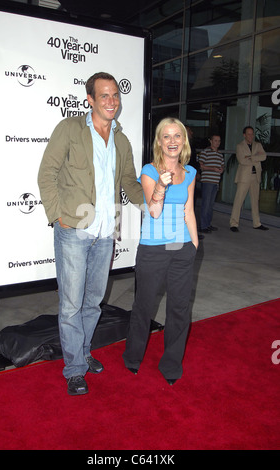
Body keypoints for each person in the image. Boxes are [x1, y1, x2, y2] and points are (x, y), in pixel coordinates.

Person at [38, 72, 143, 395]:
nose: (112, 101)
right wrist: (58, 216)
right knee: (71, 304)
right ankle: (74, 369)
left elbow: (129, 182)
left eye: (115, 96)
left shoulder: (121, 140)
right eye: (105, 96)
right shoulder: (70, 129)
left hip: (105, 232)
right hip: (74, 230)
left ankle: (83, 353)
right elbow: (47, 173)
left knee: (93, 302)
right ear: (91, 100)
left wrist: (153, 200)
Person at [123, 117, 198, 386]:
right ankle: (132, 357)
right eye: (166, 136)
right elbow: (153, 212)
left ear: (183, 141)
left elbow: (188, 211)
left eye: (177, 135)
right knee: (144, 306)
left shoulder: (189, 172)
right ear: (159, 142)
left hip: (182, 250)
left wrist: (194, 245)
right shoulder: (149, 171)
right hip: (153, 250)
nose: (172, 141)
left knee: (179, 309)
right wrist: (162, 186)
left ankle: (171, 364)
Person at [230, 126, 268, 232]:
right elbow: (242, 161)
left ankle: (257, 223)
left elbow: (264, 156)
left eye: (252, 134)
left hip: (255, 177)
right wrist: (256, 157)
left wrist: (251, 157)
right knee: (239, 200)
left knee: (255, 201)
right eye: (249, 134)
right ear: (244, 135)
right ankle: (234, 223)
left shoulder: (258, 145)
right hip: (244, 177)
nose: (251, 136)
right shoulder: (240, 146)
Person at [199, 134, 224, 233]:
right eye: (215, 140)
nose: (217, 143)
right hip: (207, 181)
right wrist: (212, 169)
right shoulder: (205, 152)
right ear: (211, 141)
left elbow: (222, 166)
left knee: (210, 204)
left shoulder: (220, 155)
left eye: (219, 141)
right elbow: (201, 166)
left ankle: (208, 224)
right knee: (206, 204)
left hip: (215, 182)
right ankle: (203, 225)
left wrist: (221, 170)